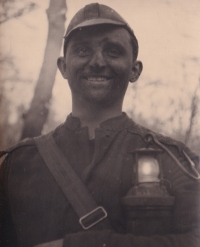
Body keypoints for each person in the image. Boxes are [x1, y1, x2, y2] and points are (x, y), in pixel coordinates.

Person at [0, 3, 200, 247]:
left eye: (113, 51)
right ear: (63, 67)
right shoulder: (19, 163)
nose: (97, 61)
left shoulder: (173, 160)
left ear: (134, 70)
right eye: (83, 50)